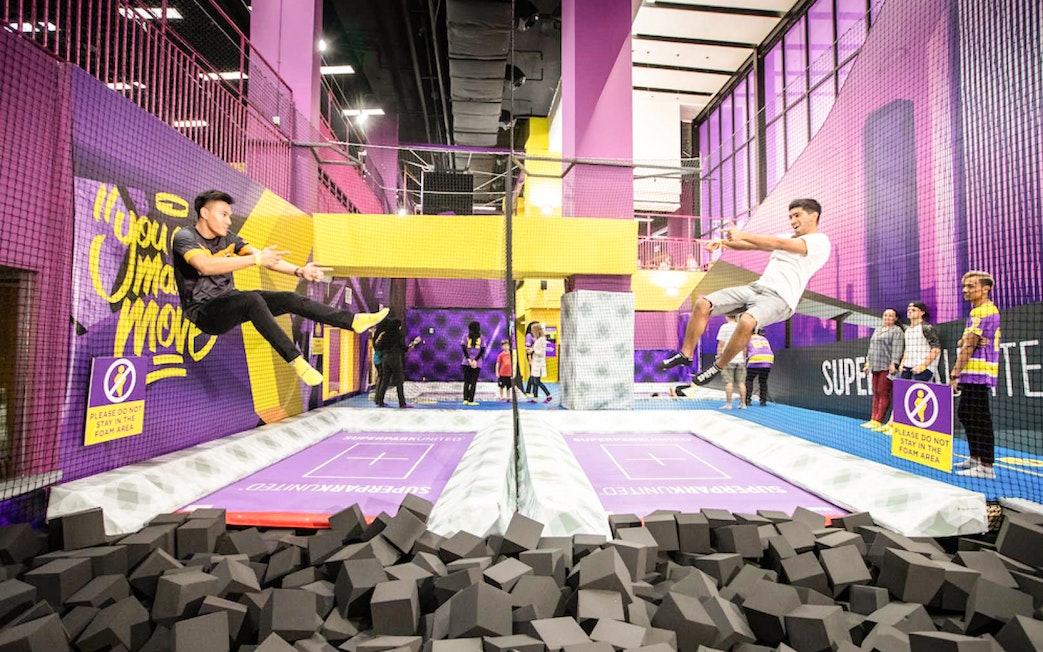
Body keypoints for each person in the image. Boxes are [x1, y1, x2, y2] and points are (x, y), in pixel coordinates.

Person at [172, 191, 389, 386]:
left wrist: (299, 271)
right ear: (204, 213)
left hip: (230, 301)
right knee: (252, 300)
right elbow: (205, 266)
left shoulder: (228, 239)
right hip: (204, 312)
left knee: (289, 298)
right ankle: (296, 361)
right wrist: (256, 259)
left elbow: (266, 260)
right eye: (224, 214)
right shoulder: (186, 237)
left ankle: (353, 321)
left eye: (230, 215)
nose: (229, 221)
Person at [659, 198, 832, 386]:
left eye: (797, 215)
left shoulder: (819, 241)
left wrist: (742, 233)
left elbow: (779, 244)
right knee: (703, 304)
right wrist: (721, 244)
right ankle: (686, 354)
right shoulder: (788, 236)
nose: (792, 221)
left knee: (747, 321)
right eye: (790, 216)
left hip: (781, 299)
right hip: (756, 288)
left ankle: (717, 367)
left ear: (813, 215)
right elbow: (752, 245)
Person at [949, 271, 1000, 480]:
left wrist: (954, 373)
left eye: (971, 286)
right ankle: (975, 457)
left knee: (979, 418)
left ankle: (987, 467)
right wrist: (965, 342)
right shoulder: (977, 312)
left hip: (978, 373)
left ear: (985, 288)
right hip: (973, 373)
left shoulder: (984, 311)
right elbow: (965, 341)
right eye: (964, 286)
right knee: (967, 414)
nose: (965, 290)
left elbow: (968, 345)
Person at [860, 308, 904, 429]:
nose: (888, 317)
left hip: (887, 366)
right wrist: (868, 363)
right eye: (886, 315)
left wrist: (894, 363)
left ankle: (879, 420)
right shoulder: (877, 330)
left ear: (895, 319)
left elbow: (897, 348)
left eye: (891, 316)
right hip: (875, 365)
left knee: (883, 393)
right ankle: (873, 419)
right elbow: (871, 348)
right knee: (876, 393)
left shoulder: (897, 331)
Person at [374, 318, 418, 408]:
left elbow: (379, 347)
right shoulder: (398, 336)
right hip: (395, 359)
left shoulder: (384, 335)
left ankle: (380, 401)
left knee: (385, 380)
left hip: (385, 359)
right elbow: (404, 349)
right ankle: (402, 403)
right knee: (399, 380)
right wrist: (413, 344)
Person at [898, 301, 941, 381]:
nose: (910, 312)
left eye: (914, 310)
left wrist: (923, 366)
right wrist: (902, 364)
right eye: (909, 310)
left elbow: (936, 349)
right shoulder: (907, 330)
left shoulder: (926, 328)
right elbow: (907, 349)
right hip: (907, 367)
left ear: (922, 312)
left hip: (923, 367)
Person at [716, 315, 747, 410]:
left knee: (729, 382)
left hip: (727, 358)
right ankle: (743, 404)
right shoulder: (741, 326)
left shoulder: (724, 327)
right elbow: (744, 344)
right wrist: (744, 357)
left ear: (726, 316)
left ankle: (729, 404)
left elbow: (721, 344)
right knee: (741, 383)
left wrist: (718, 357)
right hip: (740, 359)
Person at [745, 329, 774, 406]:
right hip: (768, 359)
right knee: (763, 381)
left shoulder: (747, 338)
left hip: (755, 359)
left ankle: (747, 400)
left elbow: (745, 351)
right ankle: (763, 401)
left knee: (749, 379)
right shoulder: (763, 338)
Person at [461, 321, 486, 405]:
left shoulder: (465, 336)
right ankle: (471, 400)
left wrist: (468, 359)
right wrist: (475, 360)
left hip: (466, 362)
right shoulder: (482, 337)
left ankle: (465, 399)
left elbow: (463, 349)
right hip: (477, 363)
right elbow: (482, 350)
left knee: (466, 382)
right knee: (473, 382)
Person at [527, 323, 553, 404]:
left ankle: (548, 395)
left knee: (537, 381)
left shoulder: (542, 340)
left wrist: (533, 350)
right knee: (535, 381)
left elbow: (541, 352)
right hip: (535, 363)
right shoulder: (538, 340)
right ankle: (535, 398)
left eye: (533, 331)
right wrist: (531, 349)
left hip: (539, 364)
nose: (532, 332)